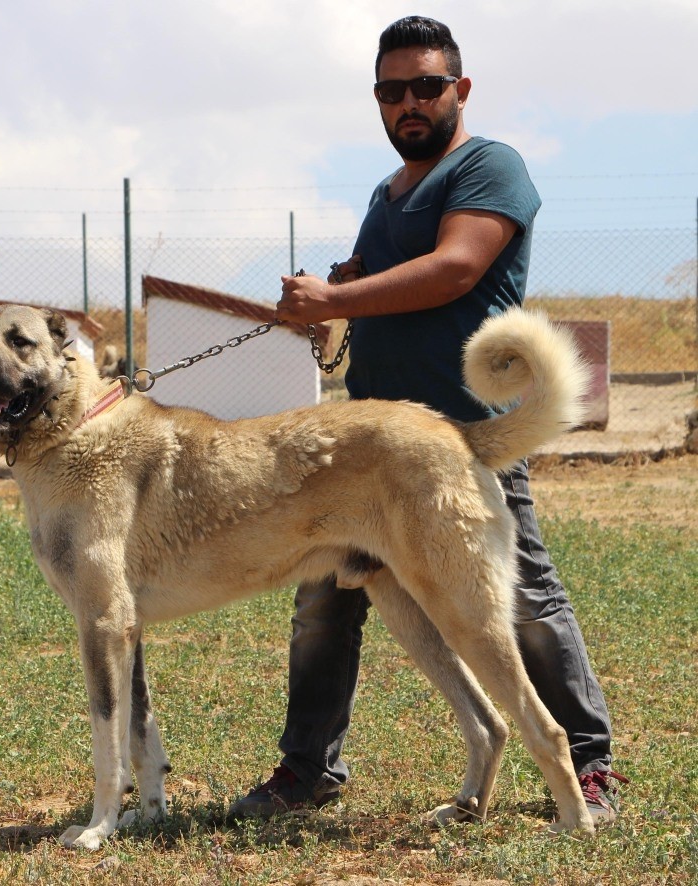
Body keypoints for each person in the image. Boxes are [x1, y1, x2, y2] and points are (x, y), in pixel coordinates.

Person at [228, 15, 626, 826]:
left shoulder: (489, 168)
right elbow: (388, 278)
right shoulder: (388, 193)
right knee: (323, 603)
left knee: (523, 601)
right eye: (391, 90)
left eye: (425, 86)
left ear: (460, 89)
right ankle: (308, 770)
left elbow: (455, 268)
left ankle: (590, 766)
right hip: (369, 449)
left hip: (460, 442)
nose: (408, 103)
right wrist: (341, 288)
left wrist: (338, 297)